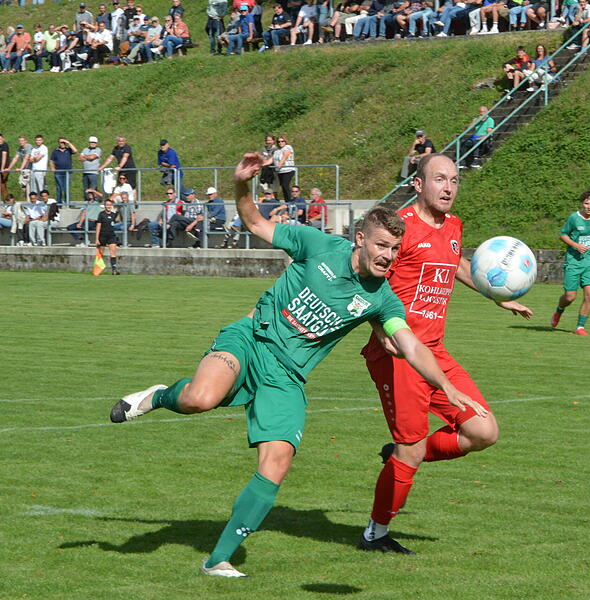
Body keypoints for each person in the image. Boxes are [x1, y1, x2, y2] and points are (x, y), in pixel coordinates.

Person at [108, 152, 485, 578]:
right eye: (382, 246)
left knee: (277, 463)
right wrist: (240, 185)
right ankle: (158, 395)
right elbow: (255, 223)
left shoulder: (382, 298)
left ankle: (218, 560)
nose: (388, 257)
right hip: (251, 341)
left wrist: (447, 387)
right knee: (199, 399)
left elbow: (411, 346)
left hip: (287, 377)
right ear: (360, 239)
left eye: (396, 250)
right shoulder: (320, 244)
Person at [358, 153, 532, 554]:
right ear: (419, 184)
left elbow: (456, 265)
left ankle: (400, 455)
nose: (449, 187)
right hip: (399, 353)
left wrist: (497, 296)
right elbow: (369, 276)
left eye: (454, 180)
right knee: (413, 447)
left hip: (434, 351)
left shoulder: (452, 226)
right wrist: (378, 325)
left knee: (483, 430)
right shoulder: (400, 228)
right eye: (440, 179)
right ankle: (376, 533)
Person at [550, 190, 590, 335]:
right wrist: (576, 246)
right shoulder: (574, 218)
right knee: (570, 297)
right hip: (574, 262)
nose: (589, 206)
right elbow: (563, 234)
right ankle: (559, 311)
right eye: (586, 203)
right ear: (582, 204)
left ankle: (580, 327)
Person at [95, 198, 121, 275]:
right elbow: (98, 226)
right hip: (102, 236)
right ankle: (98, 269)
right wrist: (97, 238)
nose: (108, 206)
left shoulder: (113, 215)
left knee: (113, 252)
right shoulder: (101, 214)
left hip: (111, 235)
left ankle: (114, 270)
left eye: (110, 205)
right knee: (101, 253)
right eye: (107, 205)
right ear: (105, 206)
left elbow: (118, 220)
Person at [50, 137, 78, 205]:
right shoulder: (55, 151)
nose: (62, 144)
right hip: (58, 172)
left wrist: (68, 142)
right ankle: (59, 203)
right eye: (61, 142)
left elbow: (75, 151)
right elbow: (51, 160)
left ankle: (67, 202)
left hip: (68, 173)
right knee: (59, 188)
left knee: (66, 188)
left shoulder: (68, 150)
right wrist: (52, 168)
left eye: (63, 142)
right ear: (58, 143)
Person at [273, 136, 295, 203]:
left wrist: (280, 164)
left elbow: (286, 155)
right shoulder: (277, 151)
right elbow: (272, 159)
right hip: (280, 171)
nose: (280, 143)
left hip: (288, 170)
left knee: (285, 185)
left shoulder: (288, 147)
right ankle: (287, 201)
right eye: (279, 141)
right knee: (283, 186)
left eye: (282, 141)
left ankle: (289, 201)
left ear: (285, 142)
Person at [0, 133, 10, 200]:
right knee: (2, 185)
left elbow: (4, 156)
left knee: (2, 185)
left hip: (4, 168)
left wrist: (2, 168)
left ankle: (7, 201)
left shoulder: (4, 145)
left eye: (0, 139)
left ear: (3, 138)